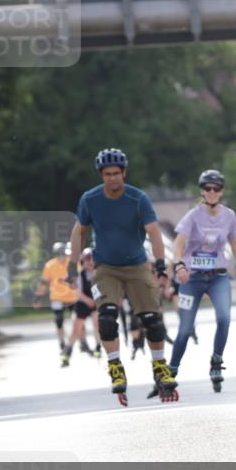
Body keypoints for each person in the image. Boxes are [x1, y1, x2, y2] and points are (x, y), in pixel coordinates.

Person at [68, 147, 178, 405]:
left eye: (116, 173)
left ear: (124, 173)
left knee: (152, 320)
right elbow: (79, 231)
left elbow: (153, 231)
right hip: (106, 268)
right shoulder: (90, 199)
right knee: (106, 319)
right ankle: (115, 367)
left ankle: (160, 367)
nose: (112, 178)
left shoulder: (138, 198)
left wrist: (161, 263)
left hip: (138, 265)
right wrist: (73, 265)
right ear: (101, 175)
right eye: (107, 174)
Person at [169, 170, 236, 393]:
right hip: (192, 278)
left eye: (216, 189)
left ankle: (216, 361)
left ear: (221, 191)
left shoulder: (229, 216)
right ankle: (171, 371)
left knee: (224, 319)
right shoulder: (193, 216)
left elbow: (235, 244)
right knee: (185, 329)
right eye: (207, 189)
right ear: (202, 192)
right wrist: (179, 265)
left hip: (217, 276)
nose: (212, 192)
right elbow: (178, 244)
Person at [34, 242, 78, 353]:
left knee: (78, 321)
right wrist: (38, 297)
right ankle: (62, 342)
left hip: (73, 297)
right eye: (60, 255)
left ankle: (82, 342)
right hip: (57, 297)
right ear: (56, 255)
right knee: (59, 320)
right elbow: (44, 283)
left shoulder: (72, 263)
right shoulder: (50, 265)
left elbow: (80, 278)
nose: (62, 257)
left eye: (64, 254)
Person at [60, 247, 101, 367]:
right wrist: (87, 300)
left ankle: (98, 348)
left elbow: (100, 289)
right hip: (83, 303)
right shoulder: (79, 274)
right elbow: (78, 291)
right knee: (76, 330)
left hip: (95, 302)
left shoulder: (98, 273)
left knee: (97, 323)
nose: (90, 262)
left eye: (91, 260)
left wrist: (95, 300)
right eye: (87, 260)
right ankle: (67, 353)